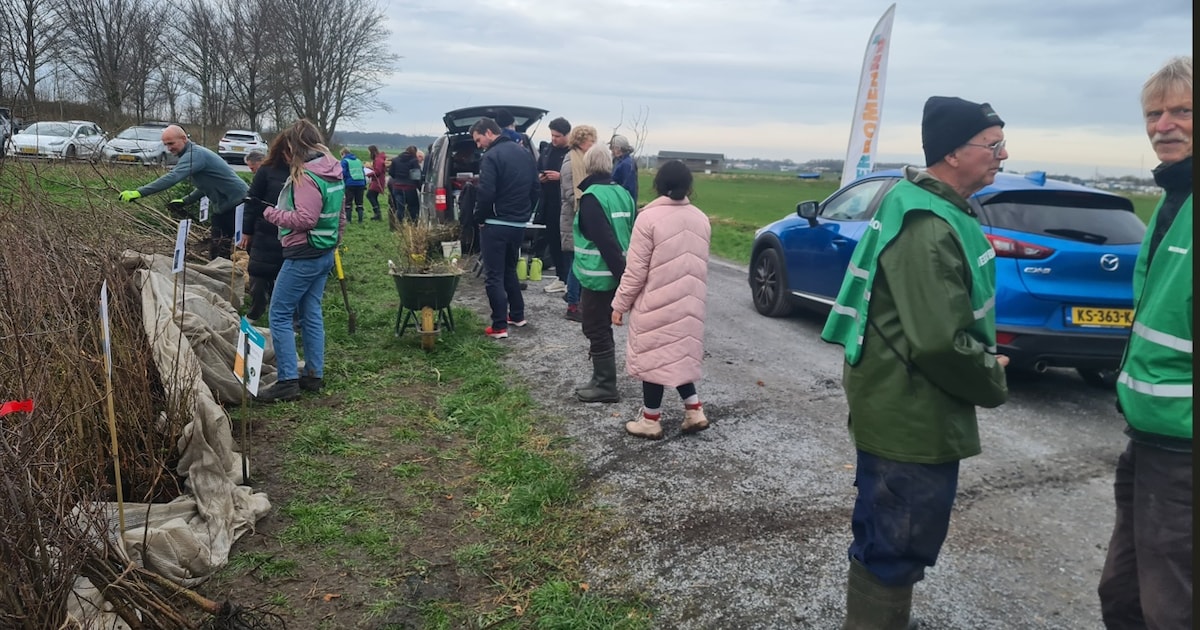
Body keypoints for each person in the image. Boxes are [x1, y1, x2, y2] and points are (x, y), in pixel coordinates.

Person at [819, 96, 1011, 628]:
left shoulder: (931, 206)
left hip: (900, 401)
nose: (1003, 154)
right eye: (992, 145)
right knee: (897, 541)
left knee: (889, 534)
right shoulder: (928, 224)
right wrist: (990, 374)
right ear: (953, 152)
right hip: (910, 412)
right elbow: (938, 342)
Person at [1097, 55, 1193, 630]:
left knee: (1171, 605)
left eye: (1183, 110)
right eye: (1154, 114)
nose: (1164, 125)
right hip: (1150, 431)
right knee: (1125, 593)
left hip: (1183, 443)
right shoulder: (1169, 200)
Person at [611, 160, 710, 438]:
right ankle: (694, 410)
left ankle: (650, 420)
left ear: (659, 186)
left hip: (657, 302)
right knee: (678, 354)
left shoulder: (649, 218)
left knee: (655, 360)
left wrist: (620, 304)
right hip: (690, 303)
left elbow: (635, 270)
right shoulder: (701, 218)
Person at [255, 119, 346, 403]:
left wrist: (271, 214)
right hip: (324, 252)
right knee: (311, 312)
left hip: (303, 254)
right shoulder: (333, 170)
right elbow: (341, 217)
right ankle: (313, 374)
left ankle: (287, 381)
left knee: (279, 315)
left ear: (295, 145)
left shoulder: (307, 176)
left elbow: (305, 219)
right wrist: (334, 242)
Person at [118, 124, 248, 260]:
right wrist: (185, 200)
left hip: (239, 204)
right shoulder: (191, 155)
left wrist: (139, 192)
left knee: (245, 246)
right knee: (218, 250)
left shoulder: (195, 155)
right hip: (223, 208)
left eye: (171, 143)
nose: (169, 148)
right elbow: (206, 186)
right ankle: (222, 276)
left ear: (184, 139)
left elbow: (172, 177)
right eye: (166, 145)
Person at [572, 145, 636, 403]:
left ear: (588, 166)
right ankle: (600, 379)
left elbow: (605, 241)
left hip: (598, 277)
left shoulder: (591, 197)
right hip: (620, 271)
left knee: (595, 326)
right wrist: (628, 279)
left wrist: (624, 282)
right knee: (601, 327)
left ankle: (605, 385)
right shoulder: (624, 194)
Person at [469, 117, 539, 339]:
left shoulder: (491, 156)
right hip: (518, 224)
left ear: (489, 132)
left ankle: (499, 326)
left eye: (478, 140)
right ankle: (517, 315)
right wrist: (526, 213)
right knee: (509, 270)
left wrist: (479, 217)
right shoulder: (524, 153)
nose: (478, 145)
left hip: (496, 224)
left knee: (494, 275)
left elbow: (486, 192)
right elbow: (536, 187)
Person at [239, 147, 287, 322]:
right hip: (264, 229)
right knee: (258, 271)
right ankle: (256, 310)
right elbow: (251, 202)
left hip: (291, 233)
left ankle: (283, 314)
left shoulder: (303, 171)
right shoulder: (266, 171)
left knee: (284, 274)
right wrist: (247, 230)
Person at [559, 124, 598, 322]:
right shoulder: (570, 163)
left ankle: (577, 300)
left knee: (580, 260)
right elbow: (569, 193)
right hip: (573, 218)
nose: (593, 145)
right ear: (582, 141)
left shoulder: (583, 160)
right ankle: (573, 305)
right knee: (577, 262)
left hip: (581, 217)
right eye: (591, 141)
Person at [538, 117, 571, 293]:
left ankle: (569, 279)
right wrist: (541, 178)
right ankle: (560, 277)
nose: (554, 139)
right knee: (553, 240)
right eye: (552, 135)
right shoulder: (547, 150)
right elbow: (538, 168)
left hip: (566, 203)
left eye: (557, 136)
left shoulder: (573, 152)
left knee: (566, 242)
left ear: (567, 135)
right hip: (549, 202)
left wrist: (561, 177)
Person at [389, 145, 421, 223]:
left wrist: (397, 179)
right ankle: (413, 224)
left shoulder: (395, 160)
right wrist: (419, 186)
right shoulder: (414, 161)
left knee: (400, 208)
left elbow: (391, 173)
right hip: (410, 187)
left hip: (397, 187)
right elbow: (416, 176)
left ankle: (400, 225)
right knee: (413, 207)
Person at [339, 147, 367, 223]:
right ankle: (360, 220)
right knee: (359, 202)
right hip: (361, 183)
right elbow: (363, 172)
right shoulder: (358, 161)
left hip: (350, 183)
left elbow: (342, 173)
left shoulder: (344, 161)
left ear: (343, 154)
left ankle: (348, 220)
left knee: (348, 202)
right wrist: (364, 183)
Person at [610, 134, 638, 202]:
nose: (612, 150)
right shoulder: (617, 161)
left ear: (619, 148)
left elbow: (629, 187)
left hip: (623, 201)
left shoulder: (627, 164)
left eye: (613, 148)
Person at [366, 144, 387, 221]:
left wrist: (368, 174)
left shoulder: (378, 160)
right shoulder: (379, 159)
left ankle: (377, 213)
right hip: (378, 180)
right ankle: (377, 213)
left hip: (377, 181)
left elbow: (378, 172)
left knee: (370, 195)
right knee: (373, 196)